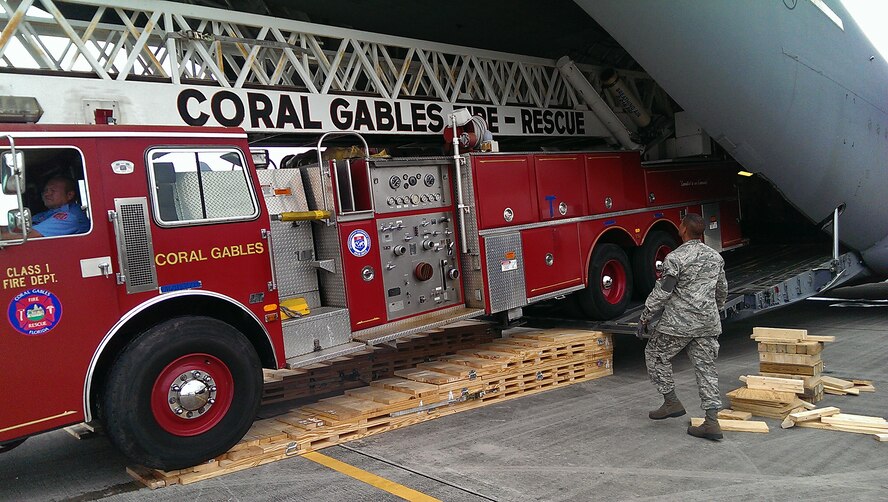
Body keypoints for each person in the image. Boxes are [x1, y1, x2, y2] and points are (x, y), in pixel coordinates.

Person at [636, 213, 728, 440]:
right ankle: (712, 421)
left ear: (684, 229)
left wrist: (645, 316)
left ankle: (671, 401)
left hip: (678, 324)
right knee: (706, 369)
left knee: (655, 354)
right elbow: (722, 290)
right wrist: (712, 311)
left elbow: (663, 292)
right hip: (707, 323)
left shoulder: (675, 259)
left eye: (680, 224)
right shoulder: (715, 257)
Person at [1, 175, 89, 239]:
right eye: (45, 190)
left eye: (52, 190)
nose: (46, 194)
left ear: (69, 195)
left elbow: (26, 234)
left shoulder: (69, 217)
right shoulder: (47, 214)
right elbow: (17, 228)